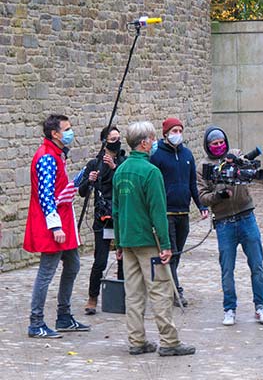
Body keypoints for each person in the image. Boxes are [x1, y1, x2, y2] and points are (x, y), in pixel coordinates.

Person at [112, 121, 195, 356]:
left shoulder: (121, 170)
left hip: (128, 241)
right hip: (148, 241)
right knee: (160, 290)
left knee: (134, 293)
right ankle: (169, 341)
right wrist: (166, 245)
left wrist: (118, 242)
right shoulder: (151, 172)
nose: (154, 142)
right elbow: (158, 211)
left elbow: (116, 210)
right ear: (145, 142)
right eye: (151, 138)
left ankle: (136, 340)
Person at [24, 114, 90, 338]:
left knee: (72, 265)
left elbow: (60, 188)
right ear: (55, 134)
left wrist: (84, 177)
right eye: (67, 129)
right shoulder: (46, 158)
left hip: (62, 221)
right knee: (46, 272)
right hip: (53, 224)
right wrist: (55, 227)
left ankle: (64, 316)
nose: (70, 132)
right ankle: (36, 322)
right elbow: (46, 195)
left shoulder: (56, 155)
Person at [197, 126, 263, 327]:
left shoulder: (235, 154)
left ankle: (261, 307)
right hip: (224, 222)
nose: (219, 146)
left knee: (256, 264)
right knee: (227, 269)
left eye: (221, 142)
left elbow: (249, 169)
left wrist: (236, 162)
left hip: (246, 216)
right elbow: (202, 196)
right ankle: (229, 309)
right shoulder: (203, 167)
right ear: (208, 145)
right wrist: (219, 195)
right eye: (215, 143)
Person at [150, 117, 208, 307]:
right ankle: (176, 292)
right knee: (172, 251)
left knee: (178, 253)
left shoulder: (187, 156)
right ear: (166, 134)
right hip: (166, 213)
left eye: (179, 131)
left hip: (183, 212)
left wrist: (201, 205)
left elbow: (193, 183)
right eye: (174, 131)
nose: (177, 135)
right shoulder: (157, 155)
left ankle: (168, 285)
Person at [78, 125, 126, 315]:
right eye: (113, 139)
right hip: (102, 217)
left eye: (118, 138)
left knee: (124, 259)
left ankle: (123, 297)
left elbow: (124, 184)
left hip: (120, 215)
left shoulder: (124, 161)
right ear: (105, 142)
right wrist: (90, 180)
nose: (117, 142)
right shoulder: (94, 164)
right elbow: (82, 192)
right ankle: (92, 297)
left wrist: (115, 168)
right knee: (100, 260)